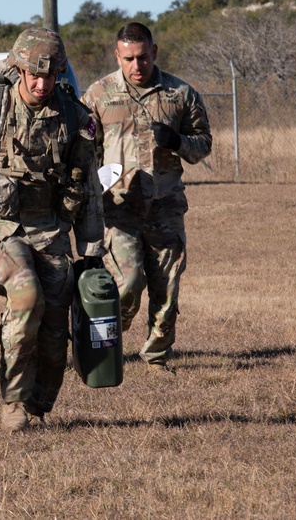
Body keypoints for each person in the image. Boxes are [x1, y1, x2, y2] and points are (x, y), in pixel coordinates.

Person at [0, 27, 105, 432]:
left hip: (51, 231)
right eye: (33, 74)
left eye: (50, 76)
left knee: (54, 331)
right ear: (18, 69)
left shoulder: (75, 117)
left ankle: (38, 402)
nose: (41, 83)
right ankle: (13, 400)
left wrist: (90, 251)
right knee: (26, 294)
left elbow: (89, 186)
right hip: (2, 229)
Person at [82, 22, 212, 373]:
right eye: (128, 58)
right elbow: (82, 151)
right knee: (127, 283)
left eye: (142, 57)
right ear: (117, 56)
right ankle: (109, 332)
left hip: (165, 206)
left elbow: (203, 144)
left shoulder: (180, 94)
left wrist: (178, 142)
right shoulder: (99, 95)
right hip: (118, 208)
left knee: (166, 288)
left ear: (154, 52)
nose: (136, 66)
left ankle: (157, 356)